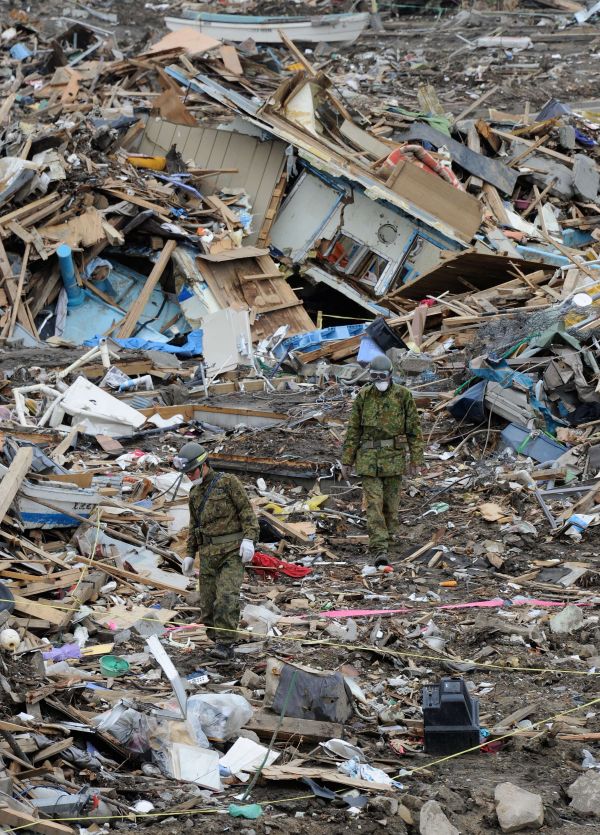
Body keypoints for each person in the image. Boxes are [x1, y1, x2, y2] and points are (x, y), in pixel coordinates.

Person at [174, 442, 259, 661]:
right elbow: (194, 526)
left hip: (231, 552)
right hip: (208, 554)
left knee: (226, 598)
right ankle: (216, 638)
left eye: (192, 472)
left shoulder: (228, 483)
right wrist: (190, 554)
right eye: (187, 474)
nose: (190, 477)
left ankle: (226, 644)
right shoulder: (194, 493)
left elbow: (247, 513)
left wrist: (249, 540)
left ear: (204, 466)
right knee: (207, 605)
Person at [341, 355, 424, 562]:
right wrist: (346, 461)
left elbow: (414, 430)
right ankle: (379, 547)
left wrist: (416, 459)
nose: (378, 381)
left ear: (390, 375)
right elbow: (353, 430)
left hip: (393, 459)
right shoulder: (364, 396)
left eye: (382, 376)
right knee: (374, 504)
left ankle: (390, 538)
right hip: (368, 459)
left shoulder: (403, 396)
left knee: (391, 506)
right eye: (374, 376)